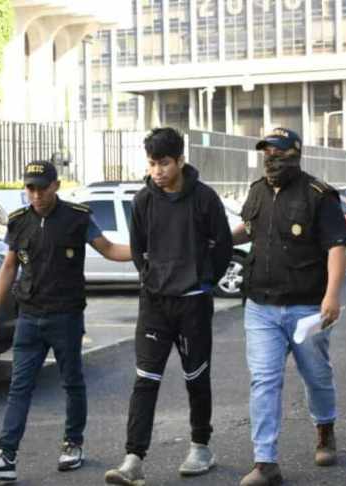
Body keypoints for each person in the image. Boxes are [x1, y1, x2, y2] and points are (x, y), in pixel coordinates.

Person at [0, 160, 132, 482]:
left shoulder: (77, 217)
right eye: (31, 188)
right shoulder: (18, 221)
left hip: (66, 316)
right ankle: (5, 455)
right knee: (19, 387)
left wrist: (146, 249)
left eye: (43, 187)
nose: (37, 194)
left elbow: (110, 250)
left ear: (56, 185)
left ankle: (73, 443)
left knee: (72, 382)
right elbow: (9, 267)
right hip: (29, 316)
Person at [105, 127, 233, 486]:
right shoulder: (143, 200)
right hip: (155, 305)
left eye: (163, 163)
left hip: (193, 304)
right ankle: (133, 459)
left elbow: (222, 246)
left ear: (180, 160)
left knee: (196, 377)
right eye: (151, 164)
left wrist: (203, 281)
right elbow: (137, 248)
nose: (157, 171)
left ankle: (200, 446)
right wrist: (151, 279)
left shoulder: (205, 198)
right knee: (145, 379)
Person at [231, 128, 346, 486]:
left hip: (306, 307)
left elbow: (336, 247)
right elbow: (248, 230)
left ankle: (325, 428)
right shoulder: (256, 191)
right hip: (260, 306)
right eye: (266, 151)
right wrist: (217, 238)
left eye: (277, 151)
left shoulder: (319, 195)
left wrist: (332, 295)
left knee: (316, 377)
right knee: (264, 380)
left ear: (295, 153)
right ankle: (265, 462)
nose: (270, 157)